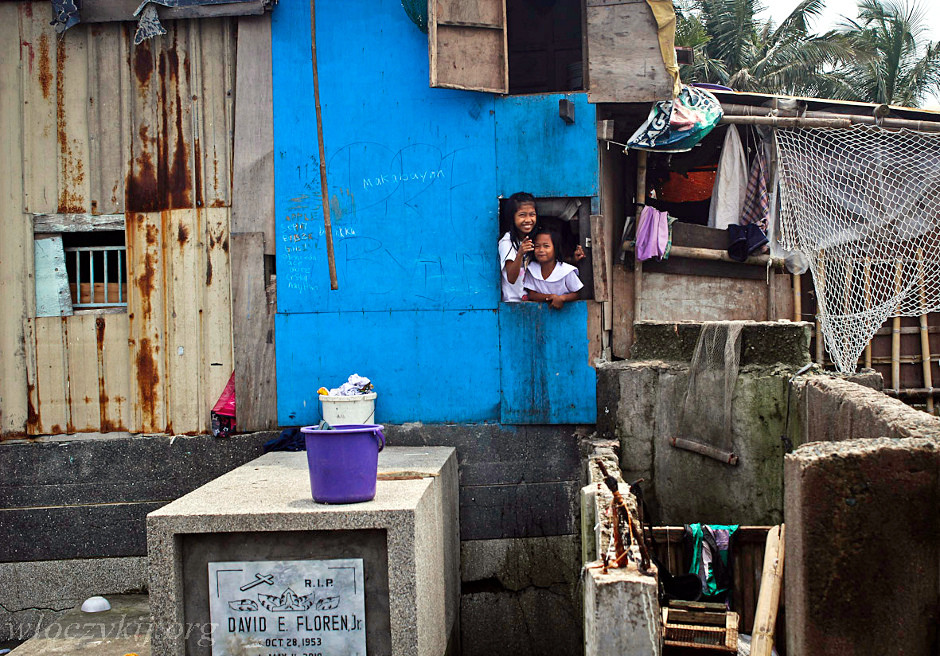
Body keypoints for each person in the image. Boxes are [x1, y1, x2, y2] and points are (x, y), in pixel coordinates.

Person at [524, 227, 583, 309]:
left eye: (546, 246)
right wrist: (552, 297)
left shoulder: (566, 271)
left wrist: (561, 298)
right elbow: (532, 294)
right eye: (537, 246)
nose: (541, 250)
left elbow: (577, 294)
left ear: (555, 249)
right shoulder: (532, 269)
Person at [498, 192, 538, 302]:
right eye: (522, 215)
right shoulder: (507, 242)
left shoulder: (536, 238)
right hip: (513, 304)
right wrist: (520, 254)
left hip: (534, 302)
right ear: (512, 217)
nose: (528, 220)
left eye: (532, 214)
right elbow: (511, 278)